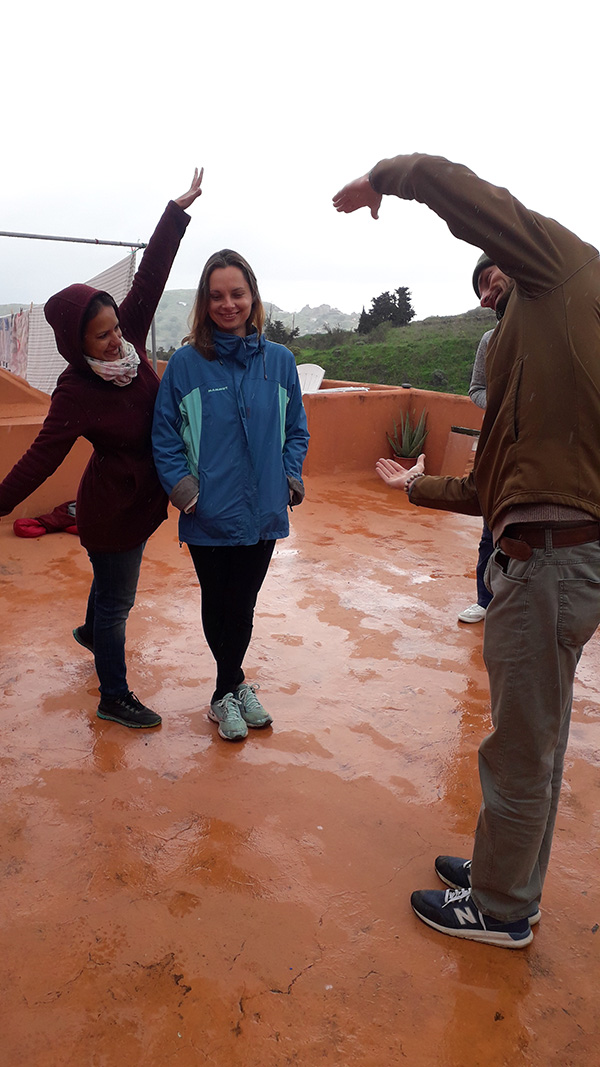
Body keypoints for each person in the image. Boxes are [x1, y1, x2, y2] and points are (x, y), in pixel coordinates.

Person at [334, 153, 600, 949]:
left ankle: (500, 906)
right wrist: (416, 486)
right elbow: (490, 487)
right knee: (534, 738)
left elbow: (461, 191)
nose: (488, 288)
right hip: (544, 554)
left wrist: (387, 177)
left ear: (515, 258)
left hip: (549, 560)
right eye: (480, 284)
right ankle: (505, 875)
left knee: (518, 745)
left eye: (494, 271)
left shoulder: (559, 270)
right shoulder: (535, 339)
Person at [0, 168, 204, 729]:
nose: (117, 340)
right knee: (118, 600)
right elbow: (41, 457)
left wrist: (175, 213)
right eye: (103, 335)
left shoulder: (129, 339)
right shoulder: (75, 391)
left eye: (116, 327)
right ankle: (113, 696)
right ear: (77, 344)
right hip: (112, 510)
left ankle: (92, 632)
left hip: (137, 501)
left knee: (107, 586)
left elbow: (153, 275)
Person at [151, 249, 309, 742]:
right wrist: (187, 494)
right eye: (216, 295)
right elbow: (164, 437)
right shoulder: (186, 364)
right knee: (219, 602)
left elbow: (297, 430)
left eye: (237, 293)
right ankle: (231, 689)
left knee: (243, 605)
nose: (228, 304)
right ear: (204, 302)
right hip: (208, 513)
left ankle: (227, 691)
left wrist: (288, 478)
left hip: (264, 510)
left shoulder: (280, 362)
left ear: (252, 297)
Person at [457, 329, 494, 624]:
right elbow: (476, 390)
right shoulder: (490, 339)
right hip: (497, 444)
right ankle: (485, 601)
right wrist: (504, 399)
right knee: (489, 534)